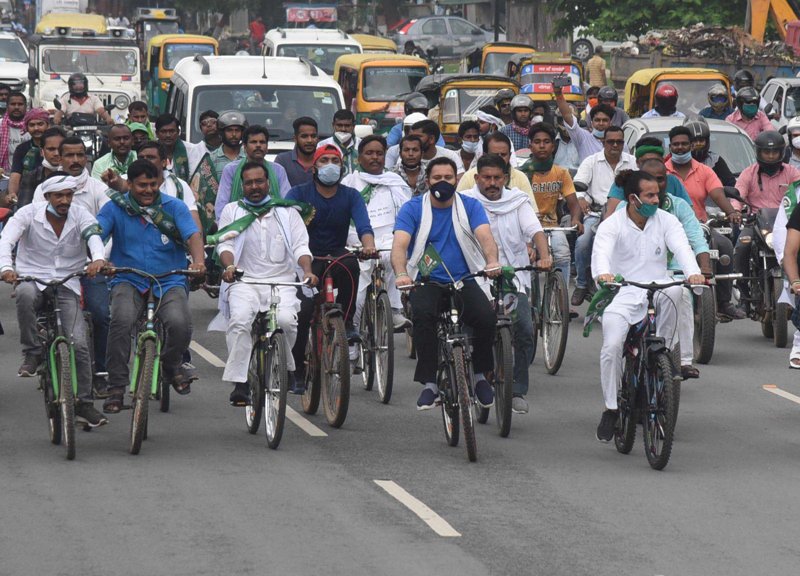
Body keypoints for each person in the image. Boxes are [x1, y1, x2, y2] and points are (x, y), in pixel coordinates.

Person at [591, 170, 704, 442]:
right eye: (650, 195)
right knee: (612, 347)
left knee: (677, 289)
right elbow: (601, 254)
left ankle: (660, 354)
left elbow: (682, 248)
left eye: (658, 194)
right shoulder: (612, 224)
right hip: (621, 292)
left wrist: (693, 272)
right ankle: (611, 407)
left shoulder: (666, 221)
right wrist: (604, 275)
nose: (656, 199)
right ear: (632, 198)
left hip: (657, 286)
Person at [96, 160, 206, 414]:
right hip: (128, 277)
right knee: (121, 321)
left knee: (179, 322)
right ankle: (116, 387)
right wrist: (100, 259)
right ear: (130, 185)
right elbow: (96, 234)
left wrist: (199, 262)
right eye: (142, 185)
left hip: (170, 278)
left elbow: (193, 235)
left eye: (153, 185)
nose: (148, 190)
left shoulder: (174, 207)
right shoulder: (115, 207)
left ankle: (171, 364)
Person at [391, 157, 501, 410]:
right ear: (427, 181)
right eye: (437, 178)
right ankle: (430, 384)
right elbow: (400, 244)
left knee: (486, 318)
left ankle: (480, 376)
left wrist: (492, 261)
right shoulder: (413, 208)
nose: (443, 182)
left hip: (464, 279)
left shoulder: (470, 206)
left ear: (457, 179)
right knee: (422, 316)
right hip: (427, 280)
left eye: (448, 178)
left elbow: (485, 236)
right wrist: (401, 274)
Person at [0, 174, 108, 427]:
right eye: (59, 196)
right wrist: (6, 267)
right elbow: (7, 240)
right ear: (47, 197)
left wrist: (98, 259)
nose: (64, 200)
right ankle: (32, 353)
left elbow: (94, 236)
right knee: (25, 295)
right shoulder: (28, 214)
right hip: (31, 277)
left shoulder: (80, 214)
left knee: (80, 343)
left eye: (68, 195)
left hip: (67, 282)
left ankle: (84, 403)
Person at [211, 162, 317, 405]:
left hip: (282, 283)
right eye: (249, 183)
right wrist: (229, 267)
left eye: (259, 181)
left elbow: (301, 246)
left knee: (286, 322)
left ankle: (285, 368)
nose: (255, 187)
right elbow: (225, 244)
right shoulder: (232, 211)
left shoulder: (287, 212)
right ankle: (241, 382)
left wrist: (308, 271)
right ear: (242, 186)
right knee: (239, 321)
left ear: (269, 183)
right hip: (243, 281)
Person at [461, 154, 552, 414]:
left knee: (524, 328)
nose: (492, 183)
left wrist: (544, 256)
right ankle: (472, 377)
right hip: (476, 277)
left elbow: (535, 231)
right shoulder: (465, 202)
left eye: (497, 178)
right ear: (477, 178)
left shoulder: (518, 201)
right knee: (471, 330)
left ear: (505, 179)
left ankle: (517, 390)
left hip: (513, 278)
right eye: (486, 178)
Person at [286, 143, 376, 390]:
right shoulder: (297, 194)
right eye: (324, 160)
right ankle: (297, 369)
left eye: (334, 161)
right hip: (306, 256)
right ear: (314, 166)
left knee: (350, 265)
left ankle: (346, 323)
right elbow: (285, 225)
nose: (330, 166)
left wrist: (368, 246)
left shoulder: (351, 195)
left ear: (342, 166)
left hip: (336, 253)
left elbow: (364, 226)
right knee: (302, 313)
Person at [613, 159, 712, 379]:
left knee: (683, 296)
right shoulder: (623, 208)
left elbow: (696, 238)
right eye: (650, 180)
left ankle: (681, 359)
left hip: (673, 272)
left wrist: (702, 269)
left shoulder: (679, 207)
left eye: (660, 179)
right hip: (633, 275)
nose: (656, 184)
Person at [665, 125, 744, 319]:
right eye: (676, 144)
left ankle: (724, 302)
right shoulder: (662, 171)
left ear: (691, 146)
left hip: (699, 224)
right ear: (670, 147)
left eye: (684, 144)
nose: (680, 148)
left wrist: (731, 211)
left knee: (724, 245)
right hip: (667, 227)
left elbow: (718, 194)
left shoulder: (704, 171)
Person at [341, 135, 412, 332]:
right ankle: (352, 330)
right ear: (359, 157)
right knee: (358, 285)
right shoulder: (349, 182)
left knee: (394, 257)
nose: (375, 158)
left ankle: (395, 309)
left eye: (379, 153)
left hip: (389, 237)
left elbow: (406, 212)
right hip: (356, 238)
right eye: (369, 153)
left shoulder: (395, 181)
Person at [571, 126, 637, 306]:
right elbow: (576, 186)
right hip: (595, 212)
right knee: (584, 242)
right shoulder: (591, 161)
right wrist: (581, 198)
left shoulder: (633, 162)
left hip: (626, 213)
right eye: (611, 141)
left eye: (619, 141)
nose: (615, 145)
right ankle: (582, 283)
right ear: (603, 142)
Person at [734, 130, 800, 296]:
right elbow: (738, 194)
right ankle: (743, 291)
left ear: (782, 152)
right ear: (758, 152)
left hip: (786, 223)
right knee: (742, 246)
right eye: (766, 152)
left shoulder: (792, 172)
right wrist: (735, 210)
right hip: (755, 222)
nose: (771, 156)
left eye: (774, 152)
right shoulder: (748, 173)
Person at [519, 122, 583, 284]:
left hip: (552, 226)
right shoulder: (521, 174)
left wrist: (575, 219)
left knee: (563, 255)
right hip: (527, 228)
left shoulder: (561, 173)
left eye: (546, 142)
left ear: (553, 146)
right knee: (527, 261)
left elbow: (573, 203)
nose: (542, 146)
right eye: (537, 142)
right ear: (530, 146)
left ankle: (560, 300)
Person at [214, 125, 291, 220]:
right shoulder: (231, 170)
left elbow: (287, 204)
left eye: (262, 142)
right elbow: (221, 206)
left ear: (267, 147)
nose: (258, 145)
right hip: (238, 226)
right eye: (253, 142)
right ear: (244, 147)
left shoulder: (278, 170)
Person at [605, 136, 694, 215]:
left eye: (656, 162)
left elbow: (689, 214)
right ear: (637, 163)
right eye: (646, 162)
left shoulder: (673, 181)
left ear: (663, 162)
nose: (651, 167)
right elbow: (610, 218)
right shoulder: (624, 182)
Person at [458, 132, 534, 200]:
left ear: (510, 155)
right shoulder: (468, 177)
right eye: (495, 155)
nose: (499, 159)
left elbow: (531, 210)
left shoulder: (521, 178)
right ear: (485, 155)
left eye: (503, 155)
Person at [554, 83, 617, 163]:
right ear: (591, 123)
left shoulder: (618, 143)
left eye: (605, 120)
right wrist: (558, 94)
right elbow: (567, 116)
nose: (601, 123)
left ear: (610, 123)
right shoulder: (583, 138)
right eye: (597, 120)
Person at [6, 108, 49, 205]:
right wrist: (12, 193)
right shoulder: (22, 149)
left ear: (48, 125)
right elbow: (15, 174)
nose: (36, 128)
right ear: (27, 128)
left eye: (40, 124)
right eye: (32, 125)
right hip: (27, 193)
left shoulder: (56, 146)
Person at [17, 127, 64, 208]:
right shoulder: (30, 177)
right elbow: (24, 211)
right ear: (41, 152)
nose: (56, 153)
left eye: (60, 149)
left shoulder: (73, 175)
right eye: (51, 149)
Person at [685, 118, 736, 187]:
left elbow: (731, 183)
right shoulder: (680, 160)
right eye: (694, 141)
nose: (698, 144)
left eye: (701, 140)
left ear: (707, 142)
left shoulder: (715, 161)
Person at [154, 114, 204, 182]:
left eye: (172, 131)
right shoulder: (151, 151)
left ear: (178, 132)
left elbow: (195, 177)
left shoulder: (191, 149)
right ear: (156, 133)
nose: (168, 135)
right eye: (163, 132)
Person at [275, 117, 319, 187]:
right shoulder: (283, 160)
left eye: (313, 136)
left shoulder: (324, 160)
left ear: (317, 138)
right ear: (295, 139)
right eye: (304, 136)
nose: (310, 140)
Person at [319, 110, 360, 176]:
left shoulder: (362, 145)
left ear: (353, 126)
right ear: (333, 125)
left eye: (347, 126)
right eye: (339, 125)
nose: (343, 129)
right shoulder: (323, 145)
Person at [0, 91, 28, 172]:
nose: (16, 107)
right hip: (4, 174)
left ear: (26, 106)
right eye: (13, 104)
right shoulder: (0, 124)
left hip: (29, 175)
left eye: (20, 104)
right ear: (7, 106)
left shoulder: (33, 125)